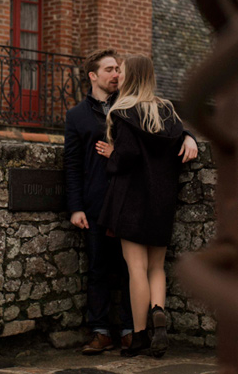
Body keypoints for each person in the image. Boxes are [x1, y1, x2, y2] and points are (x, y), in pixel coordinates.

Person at [64, 49, 198, 355]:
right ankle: (153, 314)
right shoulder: (163, 108)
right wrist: (76, 206)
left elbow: (129, 155)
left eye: (120, 70)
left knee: (135, 269)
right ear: (93, 76)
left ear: (130, 76)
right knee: (151, 268)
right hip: (151, 202)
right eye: (110, 70)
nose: (116, 75)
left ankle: (135, 334)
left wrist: (114, 156)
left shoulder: (122, 111)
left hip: (127, 200)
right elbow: (168, 140)